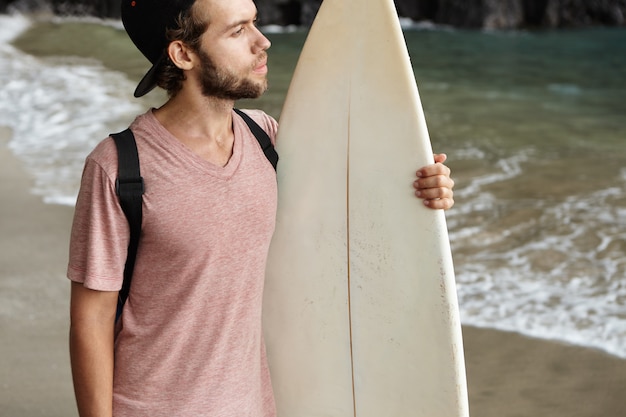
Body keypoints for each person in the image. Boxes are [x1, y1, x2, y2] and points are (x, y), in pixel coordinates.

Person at [67, 0, 456, 416]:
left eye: (255, 23)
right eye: (238, 31)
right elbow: (90, 321)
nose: (262, 41)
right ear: (184, 54)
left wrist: (423, 188)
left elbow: (352, 200)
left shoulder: (266, 139)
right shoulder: (121, 166)